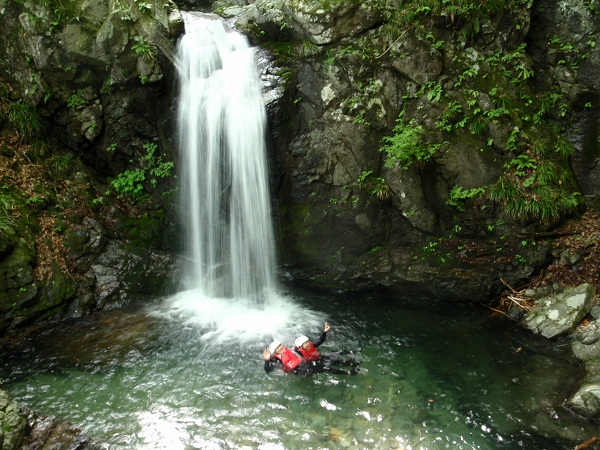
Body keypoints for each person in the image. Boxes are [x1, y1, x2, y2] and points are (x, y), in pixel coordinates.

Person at [263, 338, 357, 376]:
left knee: (327, 362)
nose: (280, 348)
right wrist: (266, 361)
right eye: (278, 349)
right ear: (274, 352)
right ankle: (348, 372)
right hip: (302, 371)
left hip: (305, 365)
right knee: (326, 368)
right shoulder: (276, 361)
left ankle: (350, 363)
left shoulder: (286, 349)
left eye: (280, 346)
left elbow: (297, 351)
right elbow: (268, 371)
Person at [294, 322, 359, 370]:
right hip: (316, 362)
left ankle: (352, 352)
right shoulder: (300, 353)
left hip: (319, 357)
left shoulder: (311, 345)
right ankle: (351, 364)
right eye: (305, 344)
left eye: (307, 342)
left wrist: (324, 332)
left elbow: (320, 341)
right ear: (300, 347)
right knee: (333, 362)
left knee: (337, 353)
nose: (307, 344)